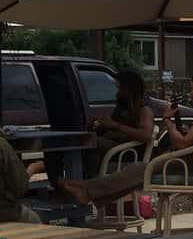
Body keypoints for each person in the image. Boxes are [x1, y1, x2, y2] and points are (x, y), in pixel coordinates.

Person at [57, 69, 193, 206]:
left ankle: (86, 190)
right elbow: (190, 141)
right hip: (191, 165)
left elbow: (181, 144)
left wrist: (167, 121)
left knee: (139, 170)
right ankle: (89, 192)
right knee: (139, 173)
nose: (191, 94)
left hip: (188, 168)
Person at [28, 69, 156, 182]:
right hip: (111, 146)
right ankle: (57, 181)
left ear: (128, 89)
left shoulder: (144, 110)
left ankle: (83, 183)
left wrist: (115, 126)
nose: (116, 92)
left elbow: (145, 135)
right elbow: (108, 125)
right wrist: (100, 126)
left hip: (127, 152)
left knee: (91, 144)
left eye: (118, 88)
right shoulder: (121, 108)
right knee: (56, 143)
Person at [0, 134, 42, 224]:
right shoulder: (1, 144)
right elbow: (19, 188)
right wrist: (32, 169)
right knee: (34, 219)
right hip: (4, 214)